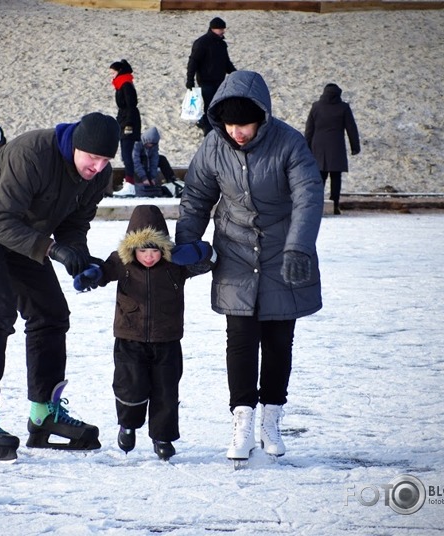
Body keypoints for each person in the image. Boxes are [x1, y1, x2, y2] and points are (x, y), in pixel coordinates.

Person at [0, 112, 121, 461]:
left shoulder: (98, 177)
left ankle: (44, 415)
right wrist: (53, 249)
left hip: (22, 229)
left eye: (106, 160)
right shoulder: (33, 154)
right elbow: (0, 223)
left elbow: (75, 222)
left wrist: (78, 256)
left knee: (50, 313)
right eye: (92, 158)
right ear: (76, 146)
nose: (98, 167)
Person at [173, 70, 323, 464]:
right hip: (235, 249)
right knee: (239, 337)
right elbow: (196, 197)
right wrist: (188, 245)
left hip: (281, 250)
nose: (237, 131)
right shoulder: (213, 146)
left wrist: (298, 248)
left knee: (277, 340)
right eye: (230, 123)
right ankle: (242, 422)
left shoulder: (289, 143)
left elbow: (308, 195)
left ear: (262, 117)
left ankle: (271, 419)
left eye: (245, 123)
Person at [73, 204, 214, 461]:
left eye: (154, 250)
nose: (148, 257)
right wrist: (91, 275)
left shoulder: (175, 265)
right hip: (129, 339)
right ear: (131, 249)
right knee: (130, 387)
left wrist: (201, 250)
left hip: (167, 341)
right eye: (142, 250)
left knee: (166, 391)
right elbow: (103, 271)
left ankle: (162, 436)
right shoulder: (122, 263)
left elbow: (209, 263)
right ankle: (128, 425)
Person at [304, 83, 361, 215]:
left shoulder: (316, 106)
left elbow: (309, 129)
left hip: (318, 146)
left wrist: (306, 147)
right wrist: (355, 147)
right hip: (336, 146)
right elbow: (351, 128)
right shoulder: (344, 107)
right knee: (336, 177)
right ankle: (334, 205)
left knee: (319, 177)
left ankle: (317, 204)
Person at [186, 17, 237, 137]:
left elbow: (226, 61)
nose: (223, 31)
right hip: (206, 80)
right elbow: (193, 62)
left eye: (223, 29)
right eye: (221, 29)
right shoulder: (201, 43)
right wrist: (190, 79)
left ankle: (204, 121)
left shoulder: (222, 44)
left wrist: (234, 73)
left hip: (219, 79)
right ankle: (208, 129)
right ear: (213, 29)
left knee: (217, 103)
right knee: (209, 105)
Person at [109, 59, 142, 197]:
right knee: (125, 154)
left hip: (129, 123)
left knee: (127, 154)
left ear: (119, 72)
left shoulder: (125, 84)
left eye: (113, 72)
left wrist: (128, 125)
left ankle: (130, 184)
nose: (111, 75)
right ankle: (129, 183)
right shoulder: (122, 84)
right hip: (124, 121)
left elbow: (131, 106)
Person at [131, 126, 182, 198]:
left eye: (153, 144)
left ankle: (171, 180)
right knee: (143, 162)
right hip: (139, 163)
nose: (151, 146)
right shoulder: (137, 143)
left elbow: (154, 161)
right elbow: (135, 161)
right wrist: (144, 178)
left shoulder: (154, 145)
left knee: (162, 159)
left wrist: (152, 177)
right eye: (150, 144)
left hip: (148, 161)